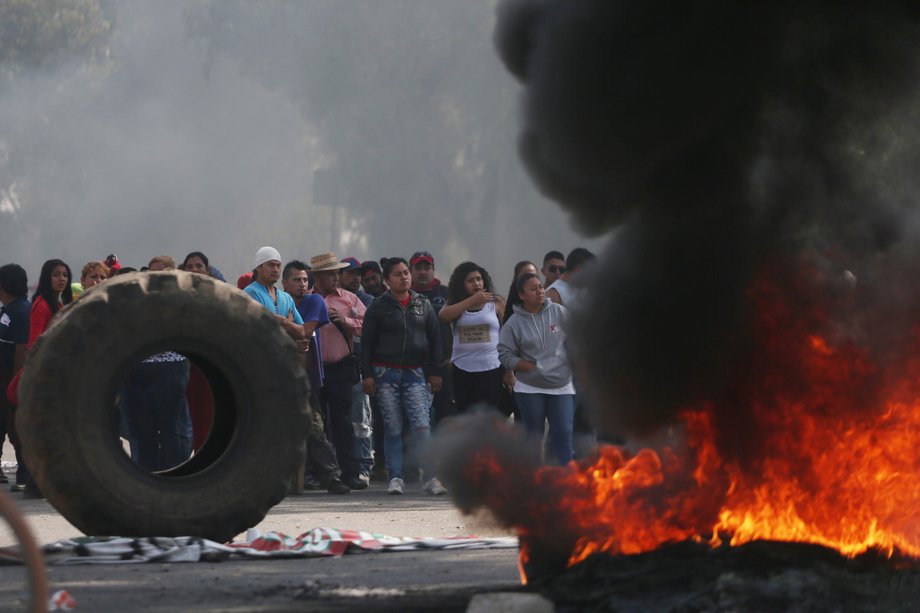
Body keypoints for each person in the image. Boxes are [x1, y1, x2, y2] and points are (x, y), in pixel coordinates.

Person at [361, 257, 447, 496]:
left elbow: (435, 340)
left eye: (406, 272)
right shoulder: (379, 306)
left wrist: (435, 372)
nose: (404, 277)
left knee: (421, 426)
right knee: (393, 427)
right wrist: (367, 375)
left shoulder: (424, 304)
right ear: (387, 280)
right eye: (398, 274)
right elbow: (366, 343)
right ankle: (395, 476)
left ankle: (430, 477)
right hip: (384, 374)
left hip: (415, 373)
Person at [281, 260, 350, 494]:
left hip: (308, 378)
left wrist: (282, 321)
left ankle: (332, 477)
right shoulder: (279, 302)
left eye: (304, 280)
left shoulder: (314, 301)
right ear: (284, 283)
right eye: (296, 280)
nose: (302, 284)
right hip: (282, 377)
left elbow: (305, 330)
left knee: (316, 427)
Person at [498, 272, 576, 465]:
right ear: (522, 295)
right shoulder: (514, 323)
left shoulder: (559, 312)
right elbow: (504, 354)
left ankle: (566, 479)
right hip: (530, 387)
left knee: (563, 431)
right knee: (534, 434)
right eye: (533, 289)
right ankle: (534, 480)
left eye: (541, 287)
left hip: (561, 383)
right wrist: (522, 365)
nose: (540, 292)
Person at [309, 252, 368, 491]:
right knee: (317, 424)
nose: (336, 278)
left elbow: (367, 325)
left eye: (337, 273)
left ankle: (350, 473)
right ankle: (321, 474)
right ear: (318, 277)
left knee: (343, 421)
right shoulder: (307, 300)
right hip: (314, 369)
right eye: (330, 274)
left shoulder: (350, 299)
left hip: (341, 368)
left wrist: (345, 321)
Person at [24, 259, 74, 497]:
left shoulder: (59, 303)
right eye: (56, 274)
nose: (61, 279)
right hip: (45, 378)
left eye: (64, 274)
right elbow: (34, 343)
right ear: (47, 277)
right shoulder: (42, 305)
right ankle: (37, 484)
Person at [438, 262, 506, 413]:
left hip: (492, 367)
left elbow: (507, 333)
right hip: (463, 368)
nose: (476, 283)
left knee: (489, 416)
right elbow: (443, 316)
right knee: (466, 415)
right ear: (461, 284)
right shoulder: (455, 302)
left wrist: (509, 371)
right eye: (470, 280)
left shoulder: (495, 302)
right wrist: (472, 300)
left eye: (479, 279)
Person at [409, 251, 454, 428]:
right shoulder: (404, 295)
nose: (422, 272)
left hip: (444, 365)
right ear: (410, 271)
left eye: (427, 267)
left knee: (446, 418)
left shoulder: (447, 294)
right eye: (418, 268)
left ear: (433, 270)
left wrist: (454, 355)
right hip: (413, 368)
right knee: (416, 421)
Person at [0, 264, 30, 490]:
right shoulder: (8, 310)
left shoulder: (19, 311)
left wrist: (15, 383)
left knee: (16, 426)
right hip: (5, 377)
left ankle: (24, 474)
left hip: (10, 378)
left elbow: (21, 347)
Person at [502, 260, 538, 325]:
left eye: (533, 276)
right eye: (525, 277)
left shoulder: (551, 308)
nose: (531, 280)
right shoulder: (512, 319)